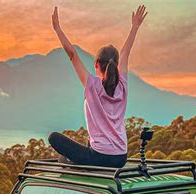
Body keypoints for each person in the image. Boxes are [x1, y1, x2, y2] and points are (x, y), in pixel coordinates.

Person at [48, 5, 148, 168]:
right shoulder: (122, 85)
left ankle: (74, 166)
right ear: (116, 66)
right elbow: (125, 53)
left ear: (96, 64)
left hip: (99, 157)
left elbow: (72, 55)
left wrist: (57, 29)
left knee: (54, 138)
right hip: (121, 157)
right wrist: (135, 27)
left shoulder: (92, 85)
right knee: (89, 141)